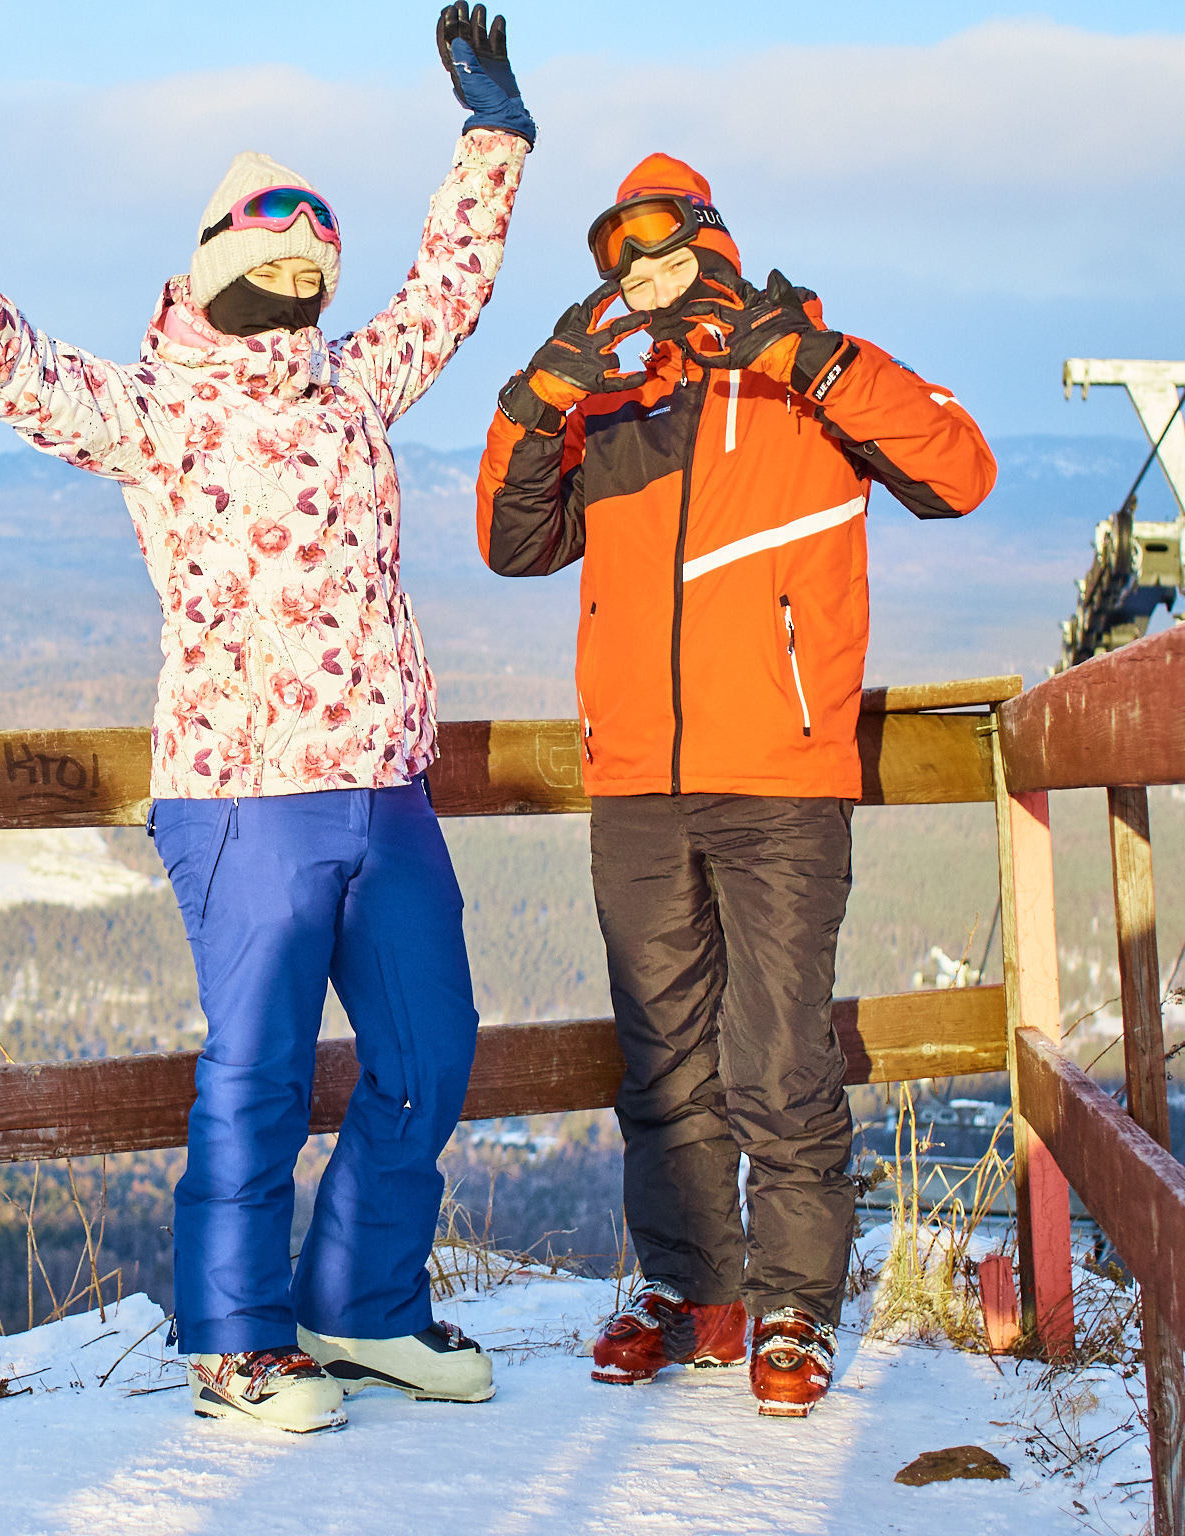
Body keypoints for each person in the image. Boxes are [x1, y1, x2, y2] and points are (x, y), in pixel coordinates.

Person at [0, 4, 535, 1434]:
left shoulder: (356, 391)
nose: (295, 271)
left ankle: (364, 1303)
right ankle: (238, 1339)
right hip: (241, 795)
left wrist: (496, 136)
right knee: (257, 1073)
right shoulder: (152, 413)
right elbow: (21, 376)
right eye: (267, 251)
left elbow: (453, 285)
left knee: (429, 1054)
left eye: (311, 249)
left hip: (384, 786)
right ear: (212, 269)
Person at [471, 153, 996, 1416]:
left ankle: (794, 1309)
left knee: (777, 1052)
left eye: (662, 251)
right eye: (620, 265)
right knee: (659, 1061)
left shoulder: (806, 375)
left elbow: (959, 472)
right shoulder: (610, 409)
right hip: (636, 782)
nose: (643, 279)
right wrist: (534, 404)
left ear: (711, 246)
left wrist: (811, 359)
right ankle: (690, 1293)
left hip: (777, 777)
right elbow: (509, 542)